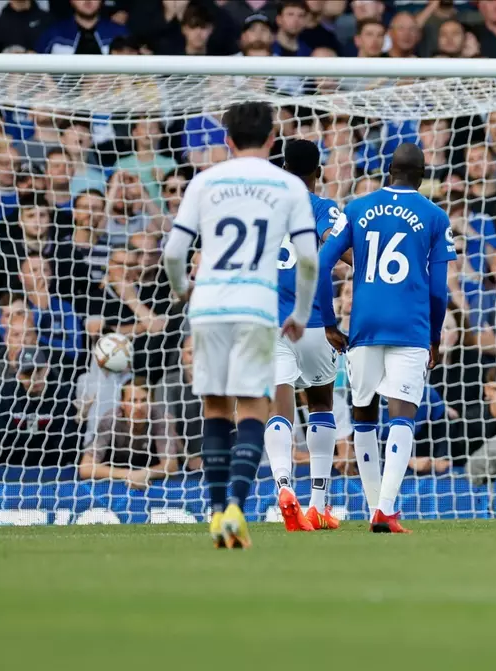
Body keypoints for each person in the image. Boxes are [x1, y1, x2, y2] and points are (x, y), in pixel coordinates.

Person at [162, 102, 319, 549]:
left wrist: (184, 289)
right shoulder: (289, 185)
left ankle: (214, 513)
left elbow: (174, 252)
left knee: (215, 409)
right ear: (273, 140)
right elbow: (308, 258)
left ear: (226, 140)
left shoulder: (204, 181)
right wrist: (302, 314)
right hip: (256, 305)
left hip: (209, 304)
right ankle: (235, 507)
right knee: (252, 408)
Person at [316, 143, 454, 534]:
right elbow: (439, 290)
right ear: (423, 174)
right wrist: (435, 336)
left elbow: (323, 263)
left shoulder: (357, 209)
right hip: (410, 327)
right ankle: (386, 510)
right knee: (402, 414)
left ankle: (374, 504)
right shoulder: (435, 215)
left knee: (363, 412)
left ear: (388, 170)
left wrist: (328, 321)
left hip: (363, 325)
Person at [264, 139, 347, 533]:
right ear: (318, 172)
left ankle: (283, 486)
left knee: (280, 401)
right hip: (313, 318)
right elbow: (339, 252)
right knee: (320, 402)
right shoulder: (323, 208)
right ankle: (317, 504)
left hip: (270, 318)